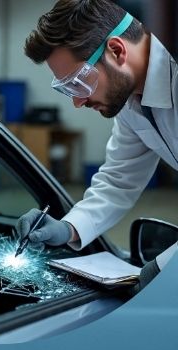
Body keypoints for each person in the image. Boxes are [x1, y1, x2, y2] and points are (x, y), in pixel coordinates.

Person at [18, 0, 174, 288]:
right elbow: (119, 180)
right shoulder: (130, 104)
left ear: (116, 51)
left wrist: (164, 267)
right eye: (67, 89)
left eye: (78, 83)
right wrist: (68, 228)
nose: (77, 102)